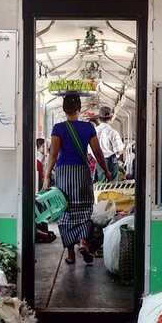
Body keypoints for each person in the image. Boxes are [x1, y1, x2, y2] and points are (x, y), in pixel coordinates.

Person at [42, 94, 112, 265]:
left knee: (66, 211)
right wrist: (107, 171)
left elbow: (53, 154)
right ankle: (83, 243)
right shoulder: (88, 128)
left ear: (64, 109)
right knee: (84, 210)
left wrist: (46, 177)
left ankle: (71, 255)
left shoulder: (58, 128)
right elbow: (97, 153)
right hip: (82, 172)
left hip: (64, 173)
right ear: (79, 109)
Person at [93, 106, 124, 183]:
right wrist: (125, 151)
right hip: (111, 161)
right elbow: (118, 151)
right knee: (112, 185)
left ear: (99, 118)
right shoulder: (113, 132)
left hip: (99, 160)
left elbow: (90, 150)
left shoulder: (94, 132)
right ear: (111, 118)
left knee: (101, 183)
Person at [36, 137, 56, 243]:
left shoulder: (44, 159)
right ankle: (41, 232)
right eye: (43, 146)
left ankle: (43, 230)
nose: (46, 148)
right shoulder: (38, 161)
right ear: (39, 148)